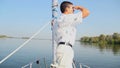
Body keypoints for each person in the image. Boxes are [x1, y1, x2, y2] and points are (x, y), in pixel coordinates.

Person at [52, 1, 90, 68]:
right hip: (65, 49)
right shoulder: (68, 18)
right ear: (66, 9)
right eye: (72, 8)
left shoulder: (57, 21)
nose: (74, 9)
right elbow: (87, 12)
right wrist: (79, 7)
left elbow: (53, 25)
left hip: (61, 48)